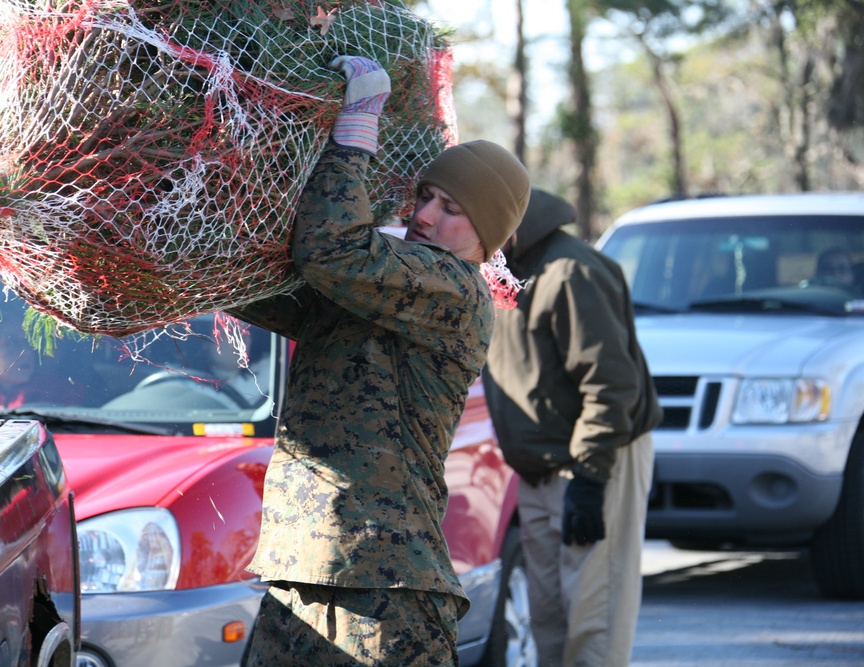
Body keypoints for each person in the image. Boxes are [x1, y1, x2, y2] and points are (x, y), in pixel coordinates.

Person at [230, 55, 530, 666]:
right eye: (424, 196)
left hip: (386, 588)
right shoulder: (383, 287)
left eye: (451, 208)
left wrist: (356, 131)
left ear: (485, 233)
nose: (423, 215)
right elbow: (268, 292)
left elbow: (331, 252)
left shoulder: (454, 289)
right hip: (304, 566)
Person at [482, 189, 663, 667]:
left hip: (594, 462)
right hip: (539, 470)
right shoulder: (502, 270)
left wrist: (590, 477)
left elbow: (610, 383)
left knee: (594, 624)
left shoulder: (571, 271)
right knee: (549, 625)